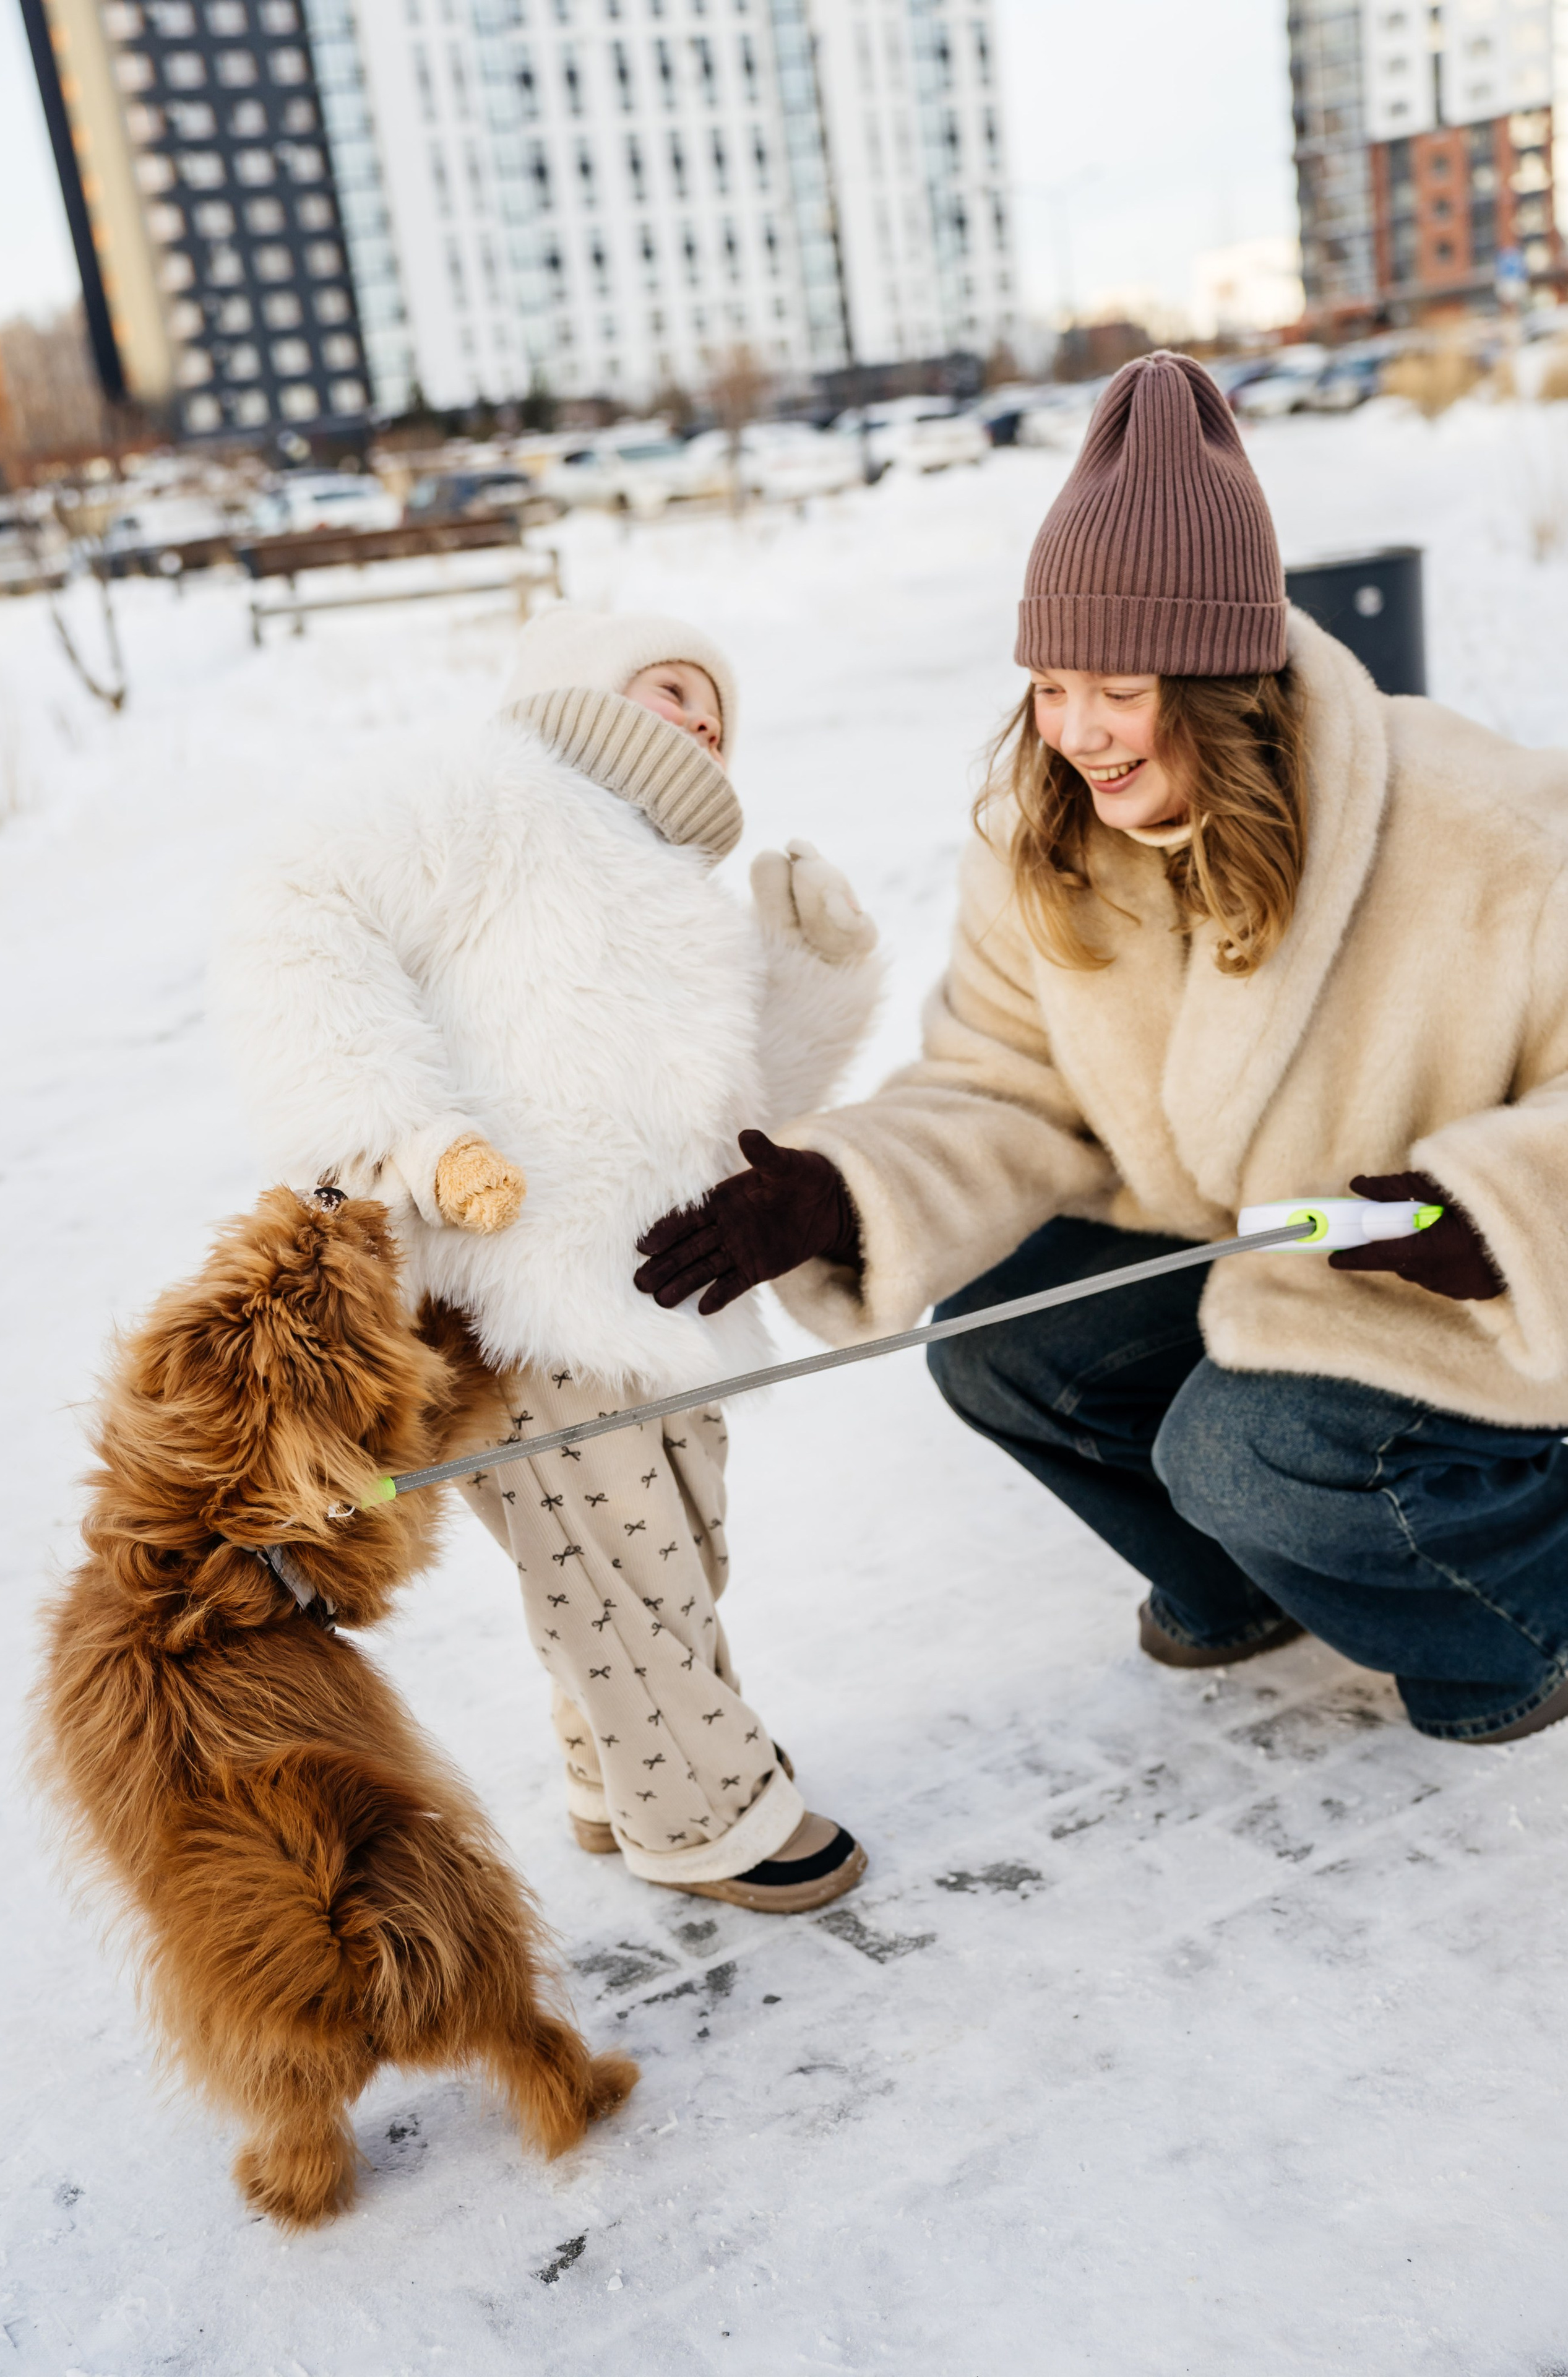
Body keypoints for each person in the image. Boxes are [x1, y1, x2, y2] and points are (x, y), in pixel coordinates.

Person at [634, 351, 1568, 1749]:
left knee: (1235, 1449)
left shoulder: (1478, 827)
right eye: (1049, 685)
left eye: (1114, 689)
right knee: (999, 1347)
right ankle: (1255, 1582)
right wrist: (841, 1189)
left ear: (1219, 682)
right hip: (1259, 1246)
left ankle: (1509, 1622)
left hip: (1454, 1280)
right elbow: (1000, 1086)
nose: (1071, 734)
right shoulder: (1046, 853)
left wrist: (1501, 1212)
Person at [216, 605, 882, 1908]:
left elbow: (736, 1106)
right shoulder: (489, 801)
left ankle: (614, 1764)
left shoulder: (674, 895)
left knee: (662, 1559)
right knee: (624, 1569)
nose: (698, 720)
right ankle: (703, 1815)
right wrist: (401, 1134)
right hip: (518, 1289)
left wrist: (819, 973)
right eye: (670, 687)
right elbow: (292, 908)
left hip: (663, 1299)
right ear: (582, 683)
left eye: (715, 711)